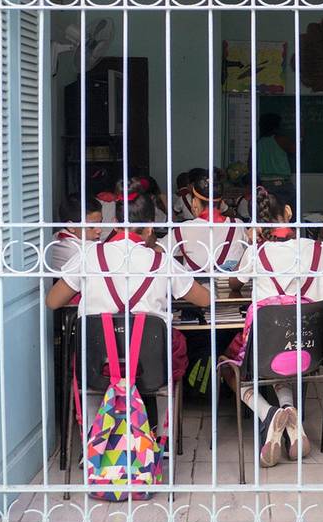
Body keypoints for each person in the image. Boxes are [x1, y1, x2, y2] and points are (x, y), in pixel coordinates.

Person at [46, 177, 211, 430]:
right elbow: (205, 299)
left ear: (114, 223)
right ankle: (159, 436)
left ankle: (93, 437)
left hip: (97, 366)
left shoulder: (90, 255)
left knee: (87, 360)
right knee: (175, 345)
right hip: (149, 368)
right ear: (149, 229)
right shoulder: (160, 262)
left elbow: (53, 301)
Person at [221, 187, 323, 468]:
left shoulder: (257, 254)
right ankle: (293, 421)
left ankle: (267, 412)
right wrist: (317, 300)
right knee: (285, 356)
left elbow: (234, 283)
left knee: (227, 365)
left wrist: (252, 242)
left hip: (267, 354)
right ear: (290, 213)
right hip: (311, 355)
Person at [167, 174, 247, 273]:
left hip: (194, 287)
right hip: (228, 287)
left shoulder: (182, 229)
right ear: (221, 203)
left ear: (195, 202)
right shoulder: (238, 225)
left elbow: (157, 253)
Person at [48, 195, 103, 274]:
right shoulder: (78, 251)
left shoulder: (55, 237)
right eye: (92, 226)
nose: (99, 230)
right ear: (71, 226)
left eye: (100, 223)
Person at [256, 113, 296, 214]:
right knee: (289, 216)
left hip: (265, 186)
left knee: (269, 217)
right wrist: (300, 137)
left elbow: (250, 165)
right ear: (276, 126)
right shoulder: (280, 140)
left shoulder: (258, 143)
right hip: (282, 185)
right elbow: (296, 151)